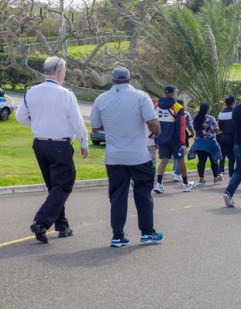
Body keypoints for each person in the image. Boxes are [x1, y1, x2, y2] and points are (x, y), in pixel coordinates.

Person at [15, 56, 89, 243]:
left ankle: (62, 225)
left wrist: (38, 123)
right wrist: (83, 142)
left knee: (54, 186)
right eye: (64, 71)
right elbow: (77, 122)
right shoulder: (65, 94)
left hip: (39, 144)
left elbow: (20, 116)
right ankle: (41, 222)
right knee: (64, 184)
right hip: (59, 144)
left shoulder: (32, 91)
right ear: (59, 73)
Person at [90, 67, 164, 247]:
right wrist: (156, 133)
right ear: (129, 79)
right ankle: (147, 233)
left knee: (117, 196)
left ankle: (118, 236)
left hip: (114, 157)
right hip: (138, 155)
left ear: (113, 80)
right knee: (143, 193)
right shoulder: (140, 96)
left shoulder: (101, 99)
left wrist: (113, 125)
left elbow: (95, 126)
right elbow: (152, 123)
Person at [153, 85, 194, 193]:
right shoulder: (178, 107)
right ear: (173, 93)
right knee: (181, 160)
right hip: (175, 140)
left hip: (162, 139)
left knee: (164, 161)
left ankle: (159, 184)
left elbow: (154, 122)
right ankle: (185, 184)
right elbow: (181, 126)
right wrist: (183, 143)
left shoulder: (156, 106)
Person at [192, 103, 222, 184]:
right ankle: (216, 178)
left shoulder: (196, 118)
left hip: (199, 143)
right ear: (207, 109)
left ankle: (201, 179)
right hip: (210, 143)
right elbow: (214, 129)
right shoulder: (210, 118)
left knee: (201, 161)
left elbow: (195, 129)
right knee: (214, 160)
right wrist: (219, 129)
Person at [172, 99, 195, 182]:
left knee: (174, 153)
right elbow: (189, 125)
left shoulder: (171, 111)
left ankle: (174, 170)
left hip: (171, 135)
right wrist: (192, 133)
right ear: (182, 105)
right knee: (181, 154)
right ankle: (177, 173)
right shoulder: (185, 113)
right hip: (181, 134)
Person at [217, 96, 236, 177]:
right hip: (232, 137)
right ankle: (231, 175)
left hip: (223, 137)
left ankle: (219, 172)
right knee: (232, 158)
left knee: (223, 155)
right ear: (233, 103)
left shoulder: (221, 113)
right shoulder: (235, 112)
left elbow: (220, 127)